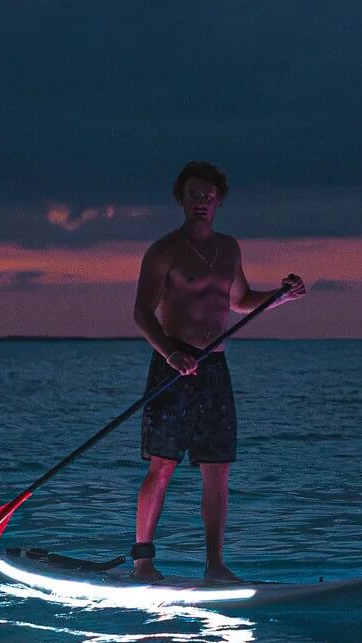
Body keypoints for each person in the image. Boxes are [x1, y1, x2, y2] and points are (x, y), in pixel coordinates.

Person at [130, 160, 306, 581]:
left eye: (208, 197)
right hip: (173, 366)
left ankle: (214, 565)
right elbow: (141, 312)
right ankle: (143, 562)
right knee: (163, 463)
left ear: (219, 201)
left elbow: (241, 302)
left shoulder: (229, 249)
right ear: (182, 200)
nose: (201, 203)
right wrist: (171, 355)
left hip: (214, 366)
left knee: (218, 468)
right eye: (194, 196)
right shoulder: (164, 250)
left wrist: (283, 297)